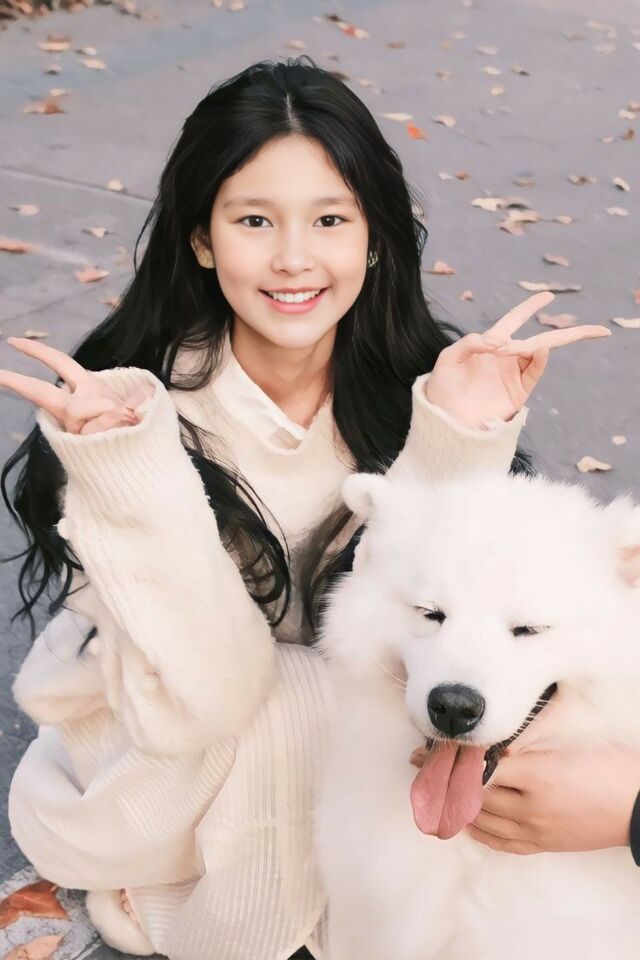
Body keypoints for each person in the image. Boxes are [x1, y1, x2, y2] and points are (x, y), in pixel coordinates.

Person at [0, 57, 626, 960]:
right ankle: (181, 909)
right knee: (313, 698)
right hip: (163, 762)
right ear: (201, 239)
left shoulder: (418, 383)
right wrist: (131, 477)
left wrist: (460, 439)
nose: (293, 257)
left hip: (341, 751)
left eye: (330, 219)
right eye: (254, 220)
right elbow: (213, 697)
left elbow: (430, 602)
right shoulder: (120, 418)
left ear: (373, 238)